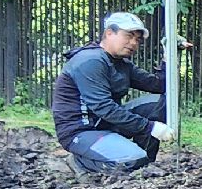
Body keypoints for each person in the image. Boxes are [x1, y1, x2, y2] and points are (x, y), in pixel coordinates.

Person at [51, 11, 177, 176]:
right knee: (132, 160)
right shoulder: (91, 61)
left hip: (105, 124)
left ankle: (144, 165)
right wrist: (150, 127)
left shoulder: (121, 63)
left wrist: (169, 57)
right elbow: (103, 107)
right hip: (81, 132)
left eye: (137, 40)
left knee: (159, 104)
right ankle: (80, 162)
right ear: (109, 33)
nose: (133, 43)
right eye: (129, 36)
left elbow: (158, 85)